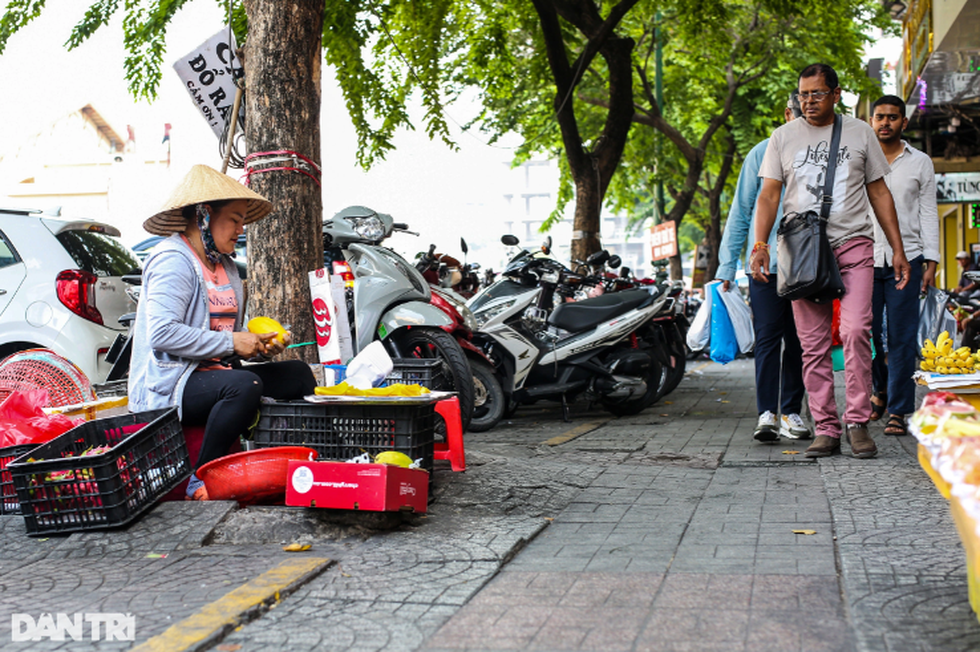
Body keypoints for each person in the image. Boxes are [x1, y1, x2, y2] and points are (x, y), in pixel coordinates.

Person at [750, 63, 911, 460]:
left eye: (817, 93)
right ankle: (825, 427)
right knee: (813, 344)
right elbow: (769, 195)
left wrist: (898, 248)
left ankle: (856, 422)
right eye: (803, 94)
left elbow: (880, 192)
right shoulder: (782, 137)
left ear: (836, 94)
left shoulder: (860, 133)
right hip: (802, 251)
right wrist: (759, 244)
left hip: (854, 245)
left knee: (856, 330)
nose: (808, 101)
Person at [128, 164, 316, 500]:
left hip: (215, 376)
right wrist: (233, 341)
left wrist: (254, 345)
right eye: (234, 219)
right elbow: (162, 334)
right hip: (169, 385)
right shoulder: (173, 260)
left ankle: (297, 463)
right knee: (244, 384)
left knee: (299, 374)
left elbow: (220, 334)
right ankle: (200, 480)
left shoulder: (225, 265)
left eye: (243, 220)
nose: (240, 229)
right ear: (204, 215)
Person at [716, 91, 810, 443]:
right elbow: (741, 212)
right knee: (769, 337)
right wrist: (727, 267)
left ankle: (792, 412)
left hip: (808, 266)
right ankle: (767, 413)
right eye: (799, 116)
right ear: (788, 114)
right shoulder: (761, 153)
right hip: (765, 265)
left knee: (801, 341)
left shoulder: (820, 157)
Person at [867, 94, 940, 436]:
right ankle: (878, 390)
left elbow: (928, 212)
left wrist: (932, 259)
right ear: (871, 120)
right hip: (863, 258)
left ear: (903, 122)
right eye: (880, 117)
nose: (885, 123)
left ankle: (898, 410)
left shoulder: (920, 162)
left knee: (901, 337)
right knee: (865, 335)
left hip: (907, 259)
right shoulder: (858, 158)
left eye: (892, 117)